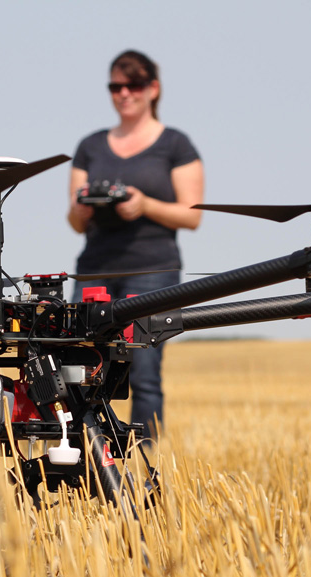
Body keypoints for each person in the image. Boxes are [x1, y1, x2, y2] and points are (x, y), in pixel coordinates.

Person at [67, 49, 204, 439]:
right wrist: (85, 205)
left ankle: (143, 460)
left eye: (134, 85)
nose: (124, 93)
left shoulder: (175, 144)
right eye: (116, 86)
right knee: (81, 368)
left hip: (153, 270)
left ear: (153, 89)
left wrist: (143, 205)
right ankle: (87, 454)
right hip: (95, 270)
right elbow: (73, 221)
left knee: (144, 373)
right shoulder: (90, 145)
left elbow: (191, 215)